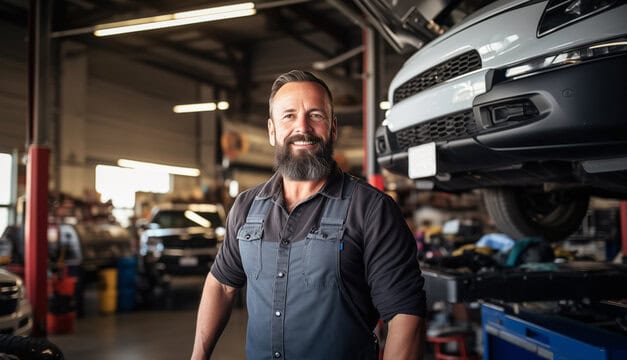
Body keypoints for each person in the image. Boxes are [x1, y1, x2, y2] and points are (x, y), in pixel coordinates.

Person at [192, 70, 426, 360]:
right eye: (288, 115)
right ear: (271, 130)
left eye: (315, 115)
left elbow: (405, 315)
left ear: (333, 128)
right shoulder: (246, 207)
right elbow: (222, 284)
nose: (302, 127)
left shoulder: (371, 209)